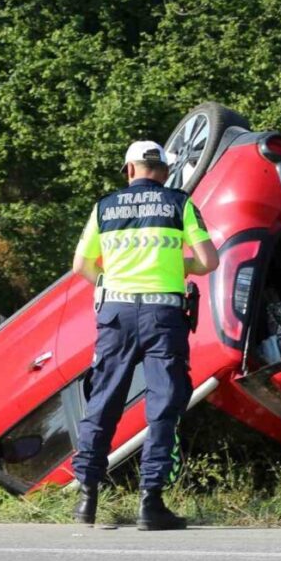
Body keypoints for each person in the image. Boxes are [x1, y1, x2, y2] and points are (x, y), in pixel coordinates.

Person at [70, 140, 219, 530]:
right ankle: (150, 503)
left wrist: (108, 284)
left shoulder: (105, 207)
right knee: (163, 404)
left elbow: (80, 265)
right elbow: (208, 261)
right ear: (165, 171)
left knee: (103, 401)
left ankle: (87, 498)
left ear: (129, 170)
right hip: (163, 316)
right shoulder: (179, 204)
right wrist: (178, 262)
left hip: (116, 315)